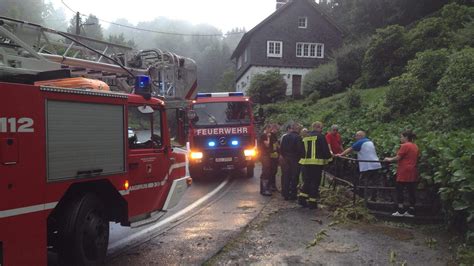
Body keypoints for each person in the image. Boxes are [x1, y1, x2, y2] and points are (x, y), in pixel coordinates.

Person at [337, 131, 382, 201]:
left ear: (360, 136)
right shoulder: (370, 142)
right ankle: (373, 197)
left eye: (356, 136)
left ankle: (361, 198)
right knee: (374, 182)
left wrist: (341, 154)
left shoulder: (361, 142)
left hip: (367, 165)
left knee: (362, 180)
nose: (355, 137)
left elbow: (350, 149)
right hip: (376, 164)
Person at [384, 130, 420, 217]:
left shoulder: (405, 146)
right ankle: (411, 210)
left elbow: (398, 157)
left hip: (404, 170)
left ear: (406, 137)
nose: (400, 139)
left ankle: (400, 210)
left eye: (401, 137)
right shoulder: (415, 146)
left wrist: (389, 159)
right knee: (411, 190)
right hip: (413, 169)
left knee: (400, 189)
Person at [298, 121, 332, 209]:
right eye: (321, 128)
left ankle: (302, 199)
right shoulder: (321, 136)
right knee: (315, 182)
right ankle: (312, 202)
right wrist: (330, 158)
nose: (322, 129)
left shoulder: (305, 136)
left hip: (305, 163)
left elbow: (301, 149)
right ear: (319, 127)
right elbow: (325, 149)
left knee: (307, 181)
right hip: (316, 163)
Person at [279, 122, 304, 200]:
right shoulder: (298, 138)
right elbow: (300, 150)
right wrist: (301, 157)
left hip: (286, 159)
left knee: (286, 176)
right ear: (297, 129)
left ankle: (285, 194)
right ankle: (293, 194)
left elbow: (281, 148)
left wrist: (284, 156)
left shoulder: (285, 137)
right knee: (294, 177)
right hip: (295, 160)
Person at [258, 124, 273, 196]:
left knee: (267, 170)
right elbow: (267, 144)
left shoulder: (264, 135)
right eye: (270, 129)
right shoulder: (264, 136)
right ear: (267, 128)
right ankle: (264, 189)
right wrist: (269, 137)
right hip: (264, 155)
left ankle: (265, 188)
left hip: (266, 155)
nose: (270, 131)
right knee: (266, 170)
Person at [268, 123, 280, 192]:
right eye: (276, 129)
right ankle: (271, 186)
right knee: (272, 171)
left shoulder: (274, 136)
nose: (277, 131)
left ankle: (273, 185)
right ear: (273, 128)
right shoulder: (271, 136)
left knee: (274, 171)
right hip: (272, 156)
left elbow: (276, 145)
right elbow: (272, 146)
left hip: (274, 156)